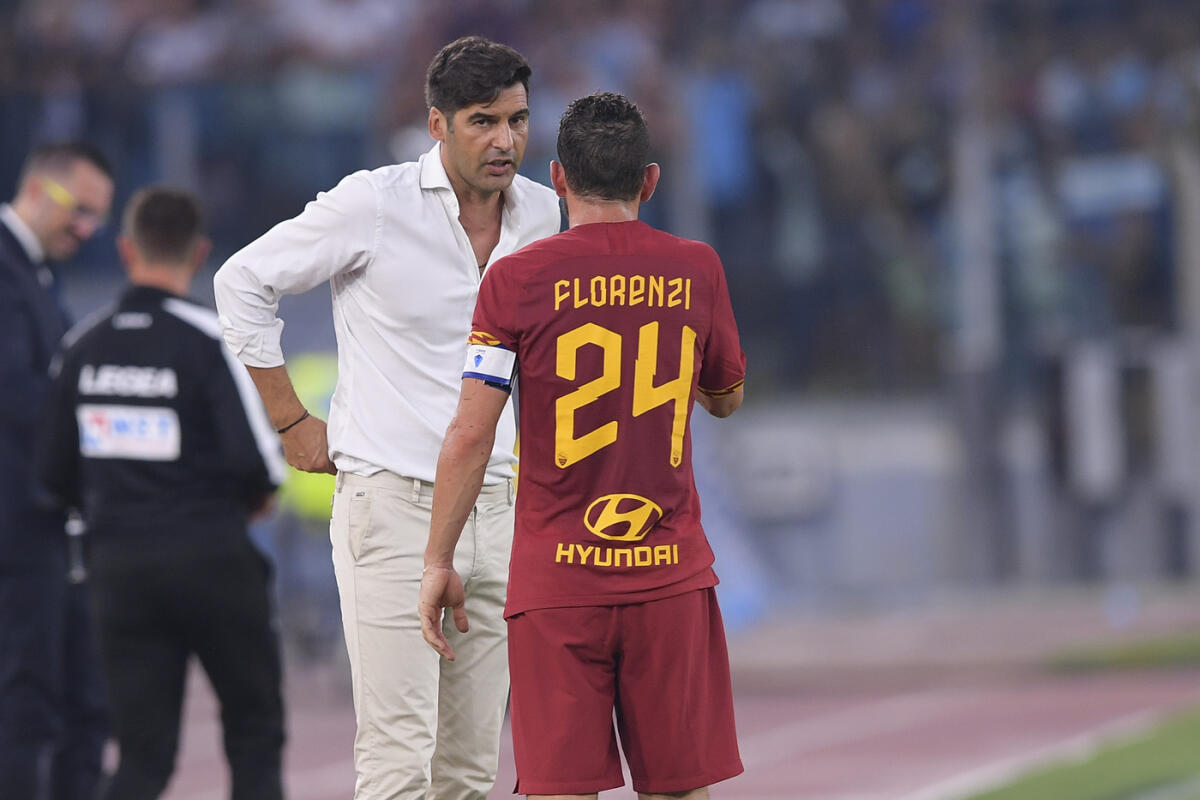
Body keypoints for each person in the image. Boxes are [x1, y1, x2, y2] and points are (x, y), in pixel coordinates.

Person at [213, 35, 561, 798]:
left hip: (500, 505)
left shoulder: (543, 214)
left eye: (517, 120)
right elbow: (241, 282)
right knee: (399, 759)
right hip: (395, 503)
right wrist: (289, 421)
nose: (505, 141)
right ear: (437, 124)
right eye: (482, 121)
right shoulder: (372, 203)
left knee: (470, 766)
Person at [419, 92, 747, 799]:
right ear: (650, 181)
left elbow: (472, 432)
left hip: (557, 584)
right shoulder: (697, 268)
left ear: (559, 178)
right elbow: (725, 397)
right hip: (668, 575)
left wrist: (438, 559)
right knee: (680, 789)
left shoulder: (513, 279)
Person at [35, 186, 288, 799]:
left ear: (127, 249)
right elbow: (261, 468)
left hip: (118, 571)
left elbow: (51, 476)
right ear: (199, 252)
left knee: (141, 757)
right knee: (254, 733)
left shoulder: (82, 345)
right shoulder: (213, 339)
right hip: (212, 560)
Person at [0, 141, 113, 800]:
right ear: (41, 190)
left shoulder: (35, 271)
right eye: (81, 210)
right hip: (17, 526)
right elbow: (19, 393)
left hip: (41, 522)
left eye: (98, 217)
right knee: (27, 703)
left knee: (75, 702)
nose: (87, 229)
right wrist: (95, 441)